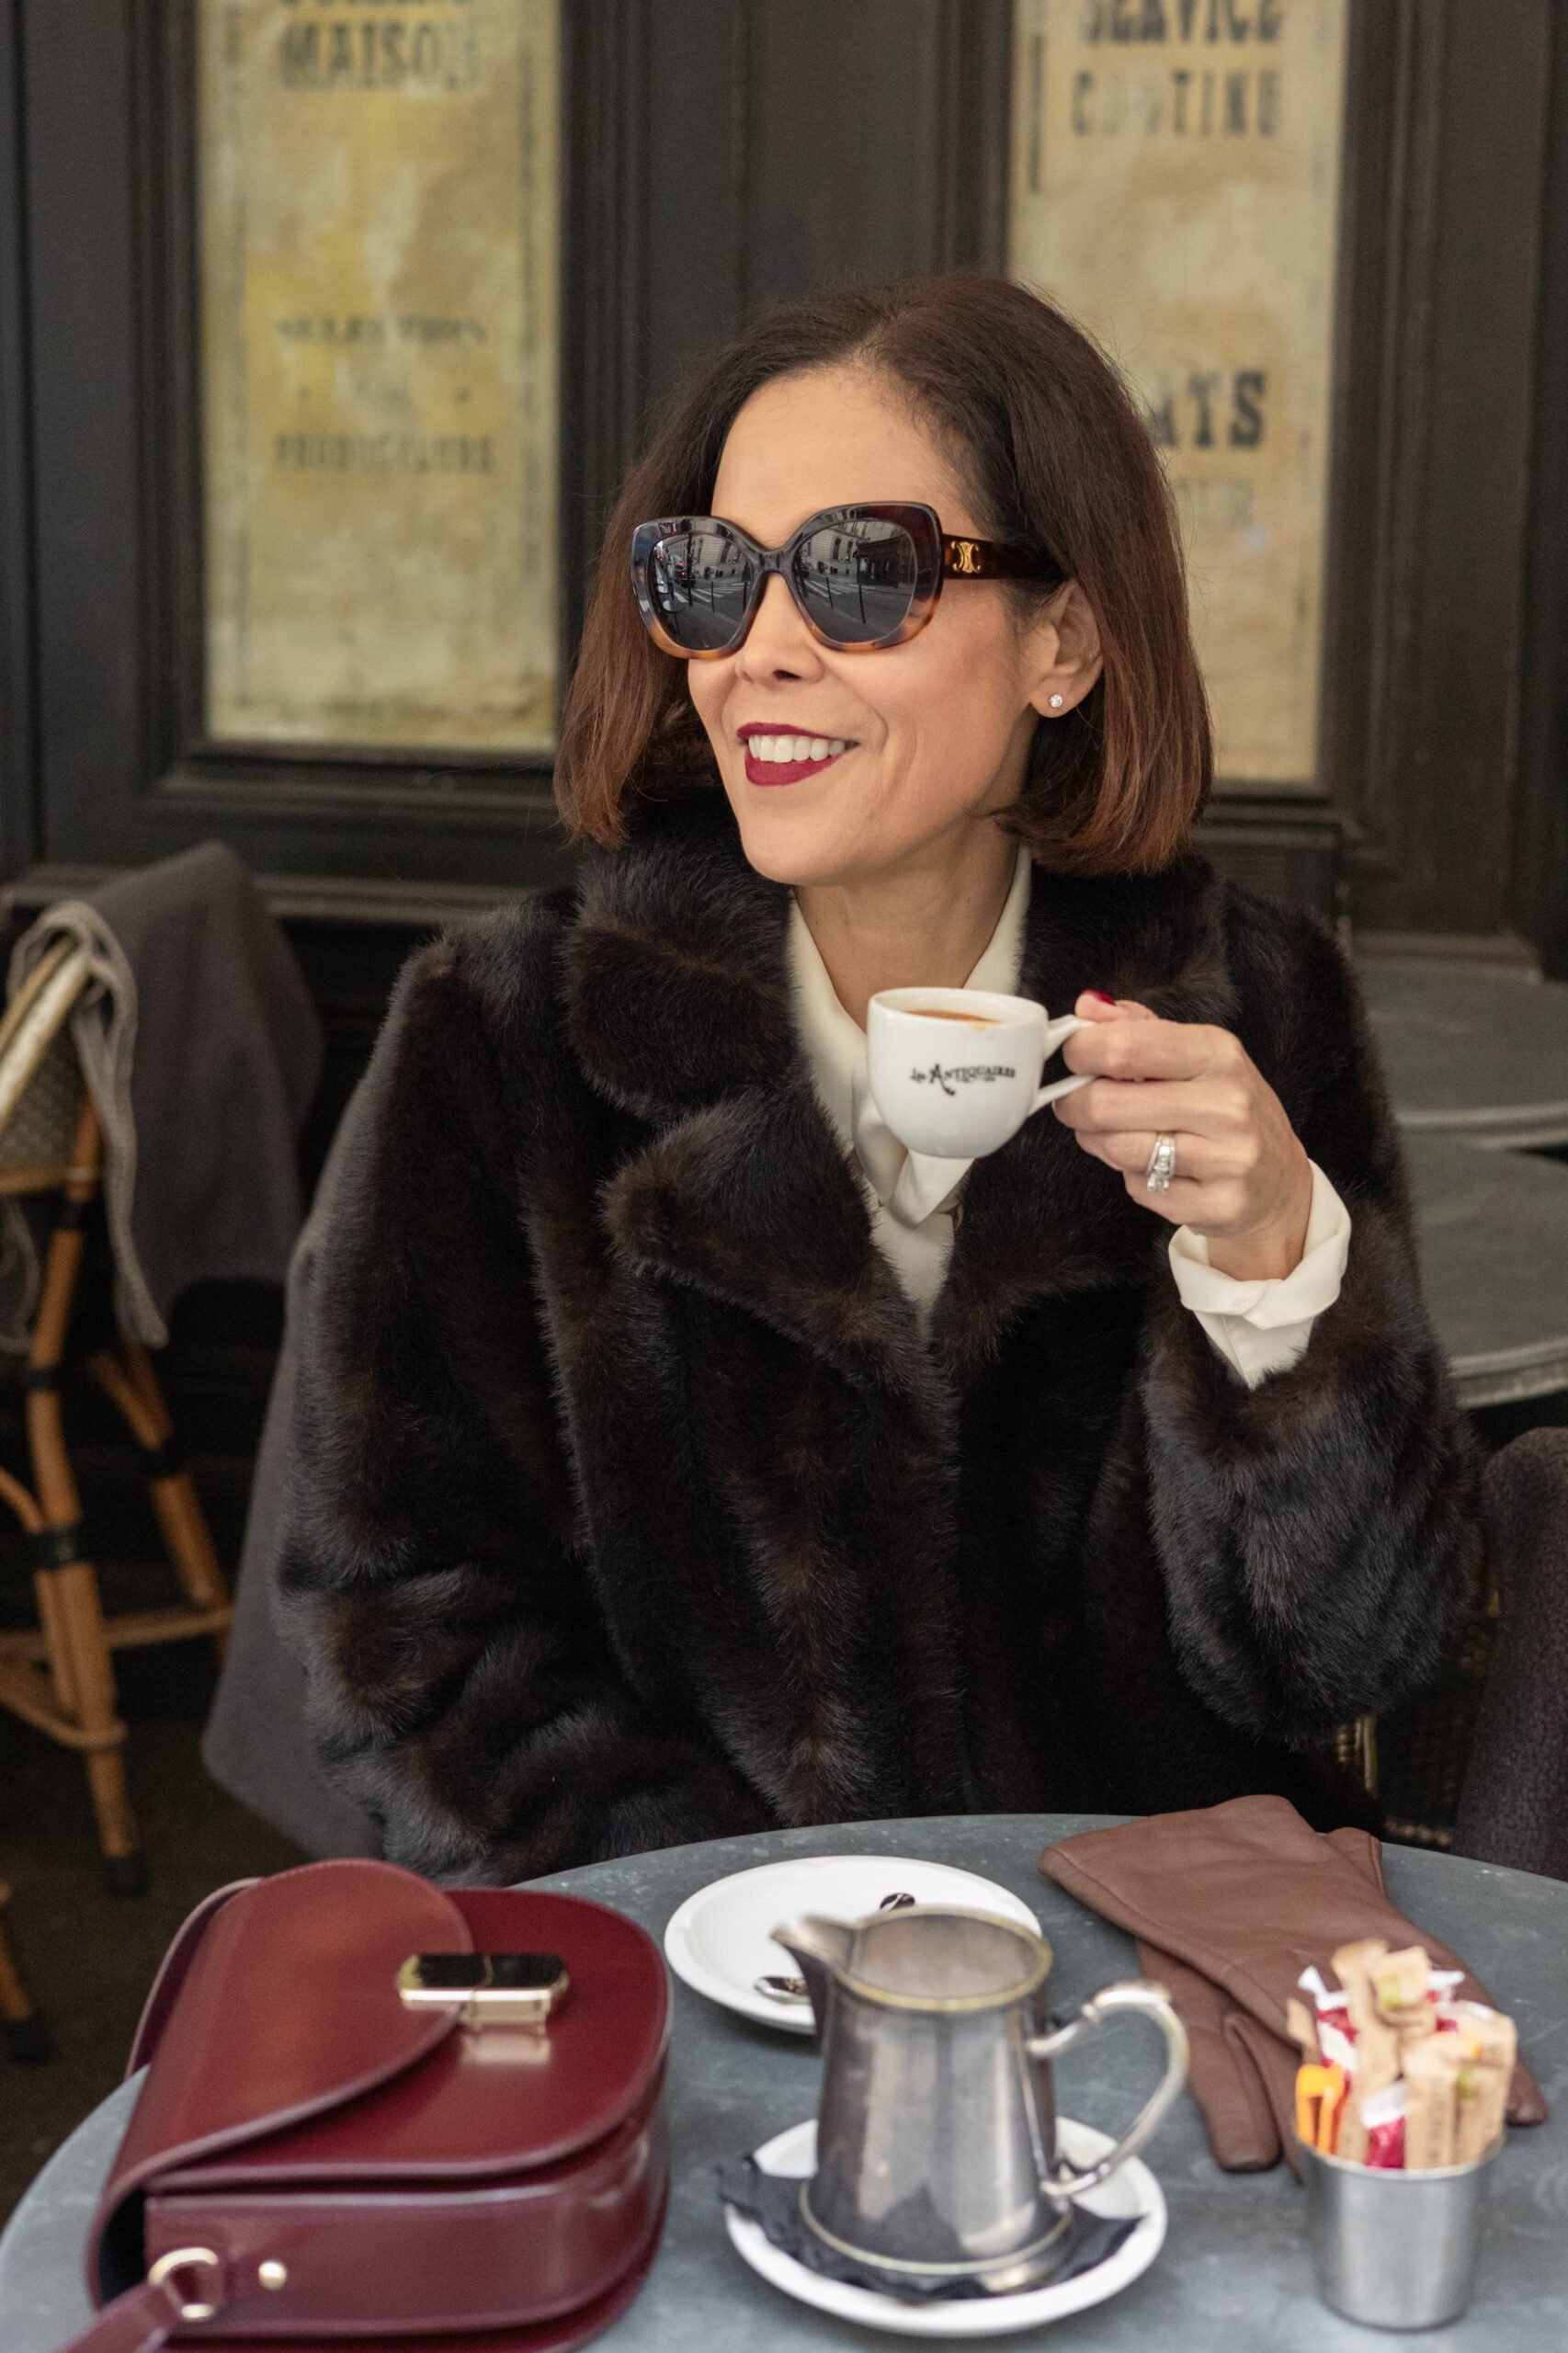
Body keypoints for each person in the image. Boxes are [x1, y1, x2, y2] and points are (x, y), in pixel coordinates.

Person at [278, 270, 1478, 1881]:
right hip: (704, 1972)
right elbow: (409, 1636)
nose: (760, 652)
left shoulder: (1249, 1008)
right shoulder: (503, 1035)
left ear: (1063, 642)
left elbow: (1342, 1665)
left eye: (859, 575)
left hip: (1134, 1974)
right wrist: (745, 1927)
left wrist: (1273, 1269)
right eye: (712, 578)